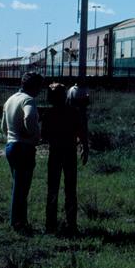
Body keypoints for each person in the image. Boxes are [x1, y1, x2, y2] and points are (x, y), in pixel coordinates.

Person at [1, 72, 44, 233]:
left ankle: (21, 221)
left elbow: (3, 127)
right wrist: (31, 133)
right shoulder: (28, 100)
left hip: (11, 146)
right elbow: (30, 117)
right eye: (39, 87)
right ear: (34, 86)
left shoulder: (10, 99)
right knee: (22, 188)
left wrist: (13, 135)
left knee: (18, 185)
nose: (40, 90)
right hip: (24, 148)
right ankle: (17, 223)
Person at [41, 83, 87, 235]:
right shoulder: (73, 112)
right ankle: (71, 224)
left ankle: (50, 225)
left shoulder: (48, 114)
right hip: (70, 153)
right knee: (70, 189)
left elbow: (44, 136)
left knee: (52, 189)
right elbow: (81, 131)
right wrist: (84, 148)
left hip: (55, 153)